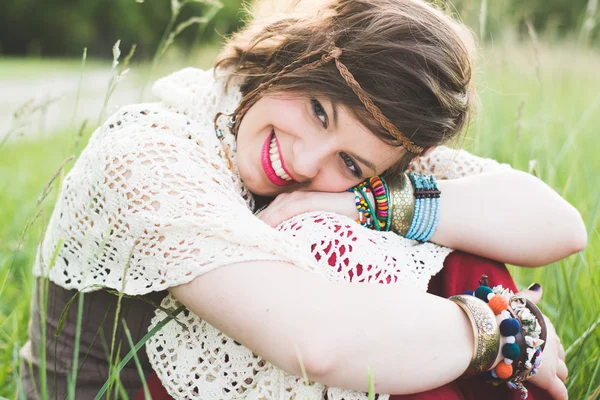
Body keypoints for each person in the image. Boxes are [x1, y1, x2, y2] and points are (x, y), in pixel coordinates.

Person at [19, 0, 586, 399]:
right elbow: (316, 343)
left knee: (457, 249)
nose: (305, 161)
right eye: (319, 110)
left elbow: (559, 225)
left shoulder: (350, 159)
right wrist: (504, 329)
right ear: (299, 52)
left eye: (351, 163)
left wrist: (366, 203)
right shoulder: (149, 148)